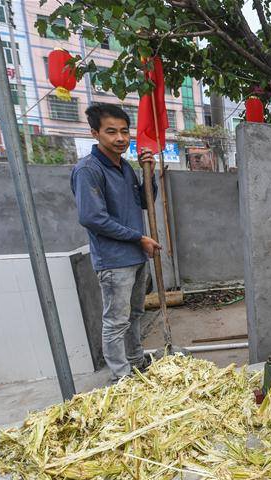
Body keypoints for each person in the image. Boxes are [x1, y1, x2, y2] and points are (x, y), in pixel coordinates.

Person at [71, 103, 161, 381]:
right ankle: (121, 377)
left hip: (136, 256)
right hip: (114, 261)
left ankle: (136, 361)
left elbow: (145, 203)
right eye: (111, 132)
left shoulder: (125, 168)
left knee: (135, 314)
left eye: (124, 131)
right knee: (115, 321)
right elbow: (92, 218)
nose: (120, 138)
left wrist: (150, 172)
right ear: (95, 133)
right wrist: (138, 237)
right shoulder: (88, 169)